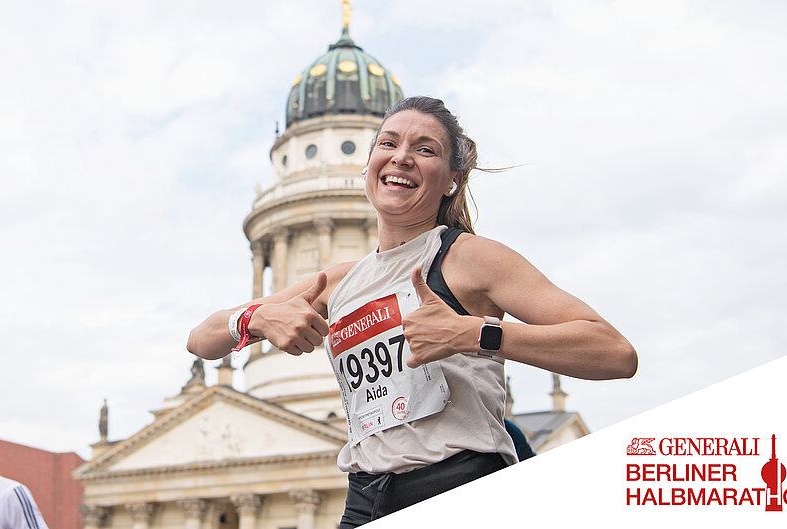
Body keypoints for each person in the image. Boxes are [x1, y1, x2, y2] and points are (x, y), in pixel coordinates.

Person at [187, 96, 637, 527]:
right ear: (369, 164)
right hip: (365, 495)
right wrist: (253, 319)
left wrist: (472, 334)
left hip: (456, 482)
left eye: (424, 149)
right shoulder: (339, 282)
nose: (401, 157)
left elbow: (614, 352)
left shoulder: (469, 258)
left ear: (452, 179)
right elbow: (202, 338)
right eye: (389, 143)